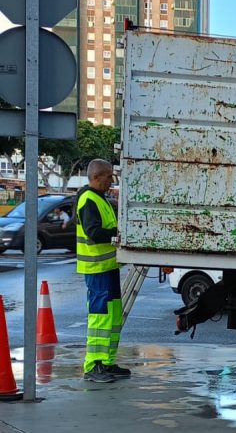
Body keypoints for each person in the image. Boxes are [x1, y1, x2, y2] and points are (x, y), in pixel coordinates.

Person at [76, 159, 130, 383]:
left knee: (113, 316)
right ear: (96, 176)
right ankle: (93, 365)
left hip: (108, 267)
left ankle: (107, 362)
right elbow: (93, 232)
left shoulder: (101, 199)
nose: (111, 180)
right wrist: (115, 235)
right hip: (97, 268)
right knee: (99, 318)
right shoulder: (89, 199)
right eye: (108, 176)